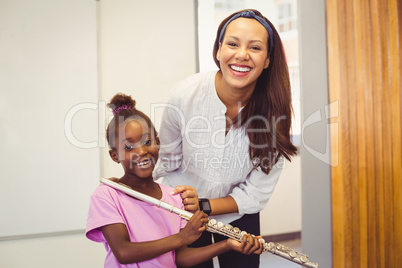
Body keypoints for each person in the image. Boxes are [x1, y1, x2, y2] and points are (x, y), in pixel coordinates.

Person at [153, 9, 297, 268]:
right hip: (183, 211)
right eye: (232, 44)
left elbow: (256, 193)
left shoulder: (276, 114)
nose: (242, 54)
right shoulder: (184, 95)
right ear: (218, 50)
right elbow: (166, 161)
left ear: (267, 60)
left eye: (255, 47)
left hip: (238, 214)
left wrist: (205, 205)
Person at [86, 93, 263, 268]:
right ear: (114, 155)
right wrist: (181, 237)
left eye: (147, 141)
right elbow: (123, 252)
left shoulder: (174, 197)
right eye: (129, 147)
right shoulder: (107, 195)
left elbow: (179, 258)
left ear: (158, 142)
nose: (141, 151)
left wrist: (227, 245)